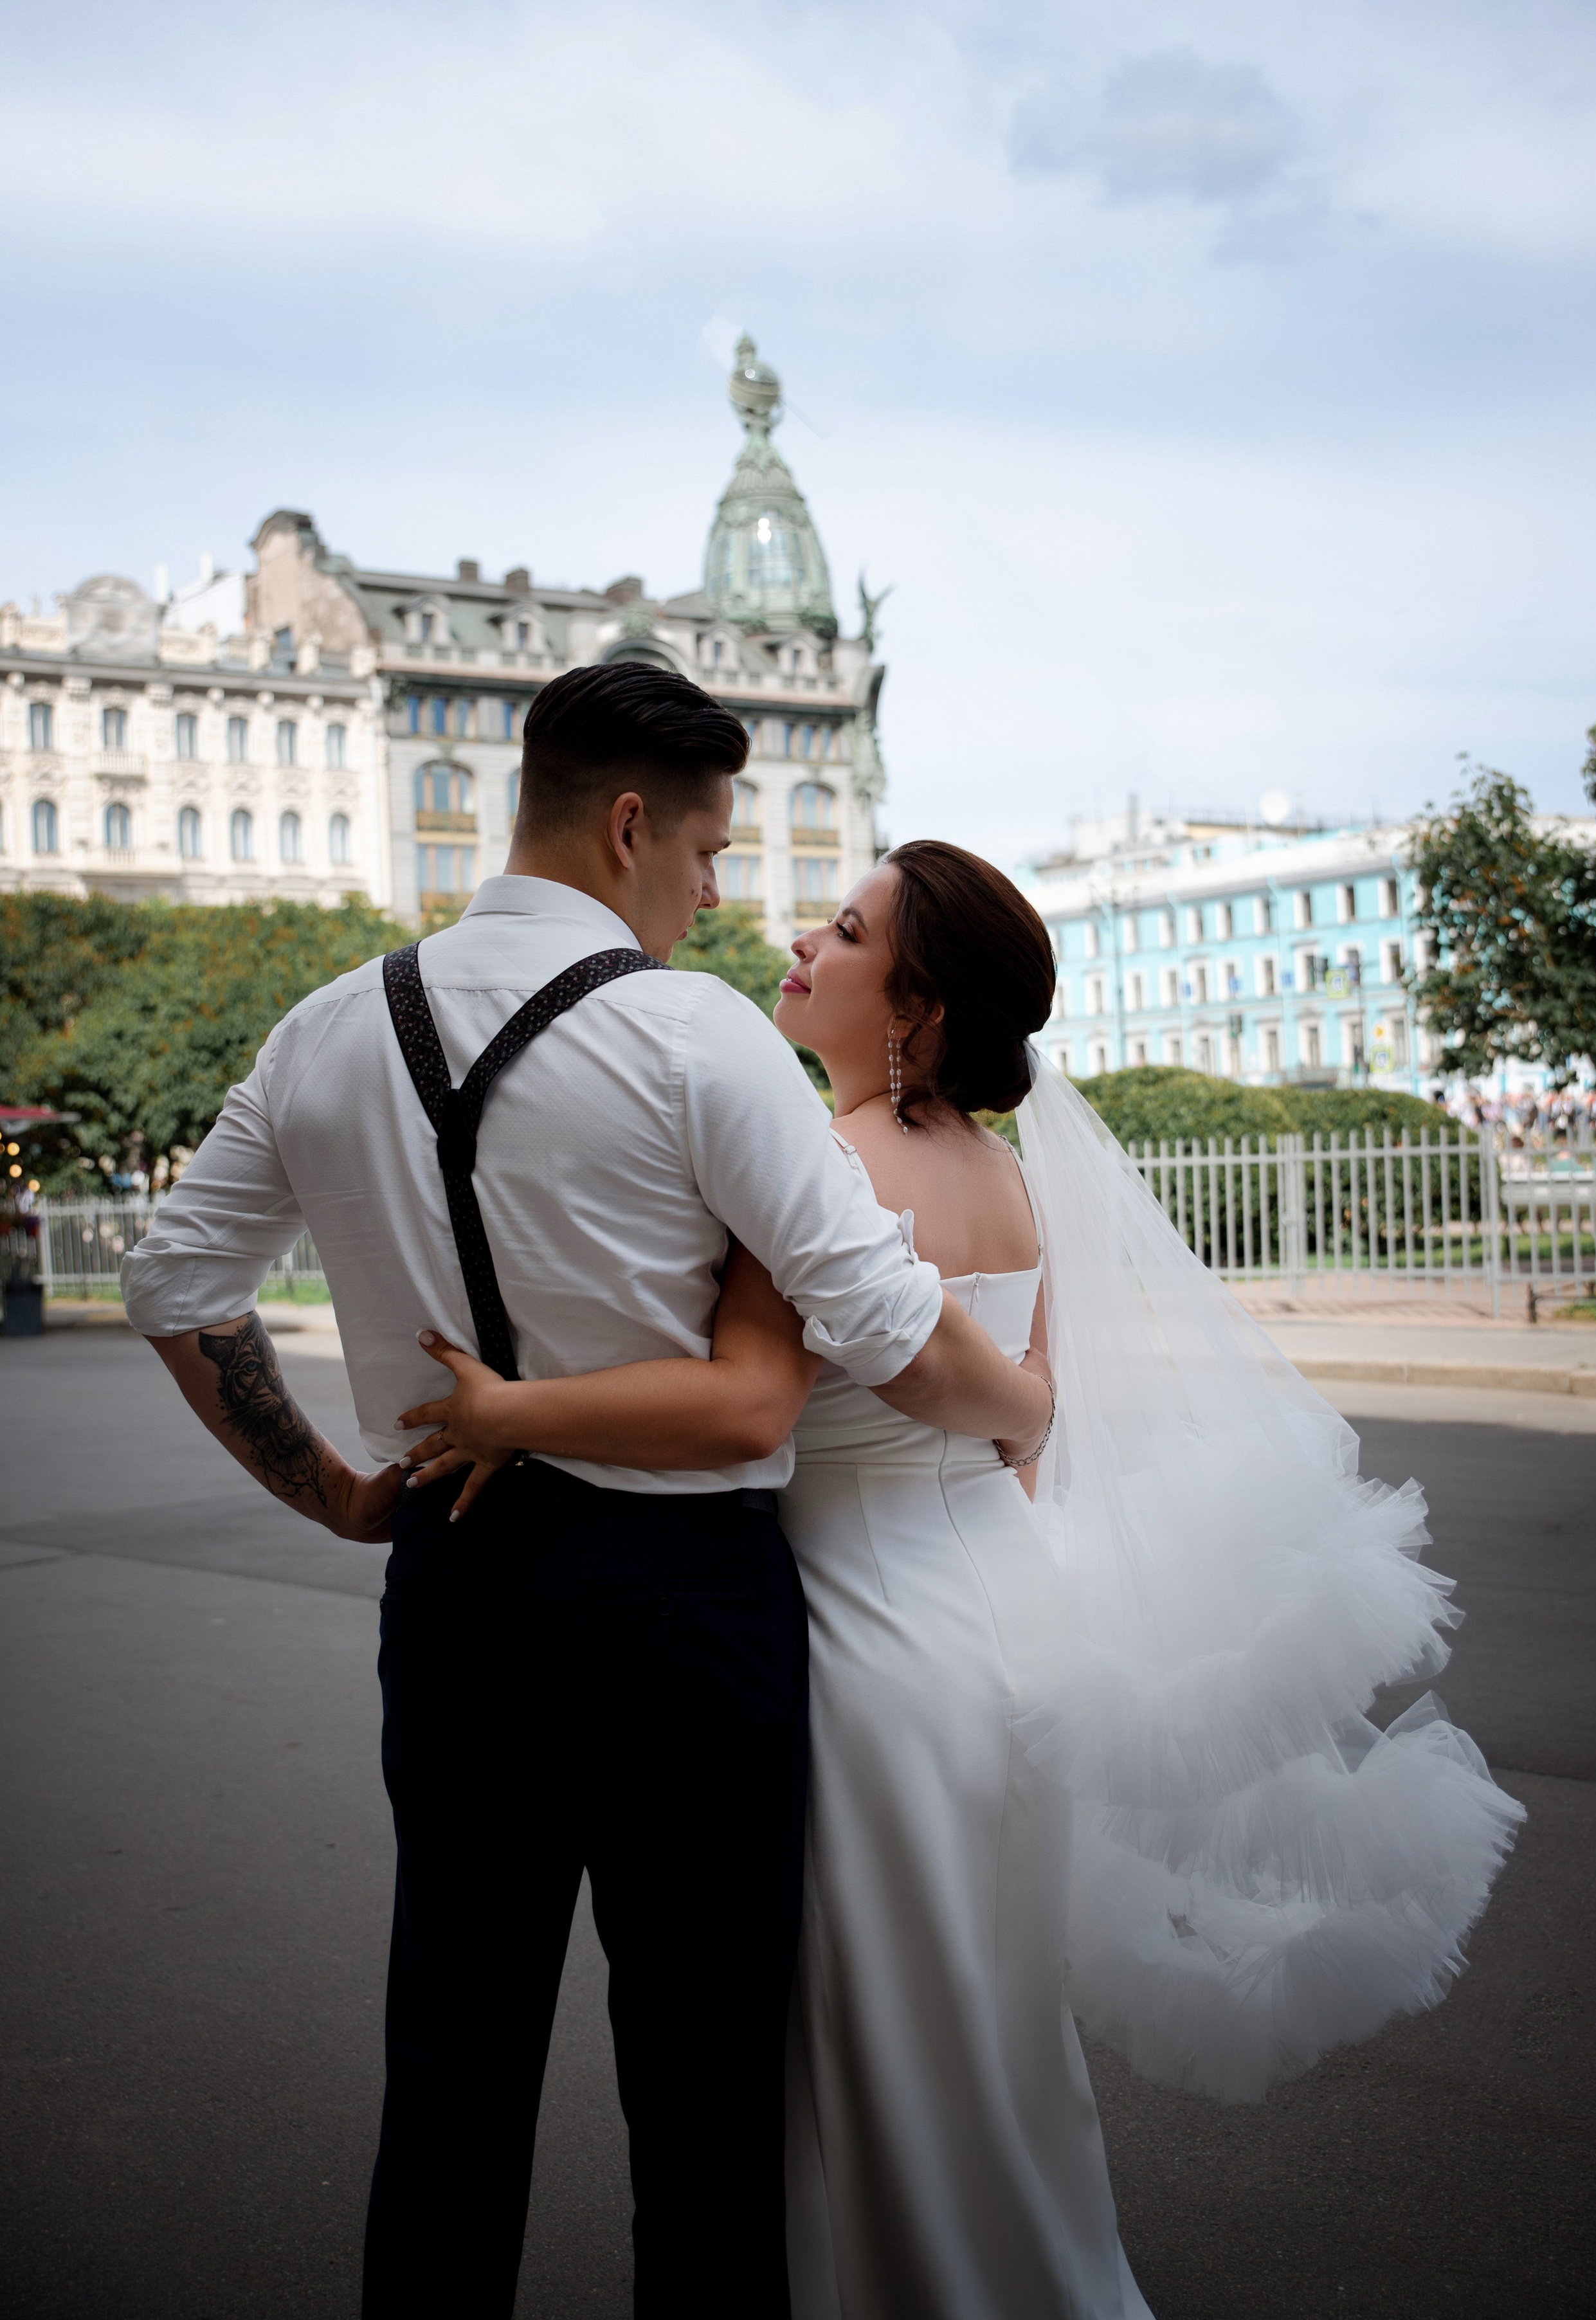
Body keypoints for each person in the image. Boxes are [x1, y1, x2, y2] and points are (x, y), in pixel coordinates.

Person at [413, 839, 1523, 2320]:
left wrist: (507, 1410)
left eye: (848, 927)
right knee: (991, 2024)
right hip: (1006, 1619)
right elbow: (1034, 1412)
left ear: (913, 1008)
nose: (804, 936)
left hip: (867, 1644)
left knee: (874, 2022)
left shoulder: (819, 1164)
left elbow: (741, 1405)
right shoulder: (1002, 1172)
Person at [120, 664, 1050, 2320]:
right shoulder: (693, 1034)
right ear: (630, 826)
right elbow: (893, 1331)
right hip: (689, 1614)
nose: (712, 892)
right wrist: (1026, 1399)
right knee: (701, 2104)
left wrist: (336, 1493)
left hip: (457, 1587)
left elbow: (174, 1280)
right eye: (702, 852)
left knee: (452, 2070)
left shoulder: (329, 1026)